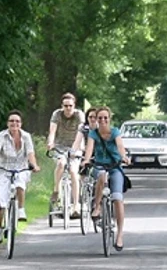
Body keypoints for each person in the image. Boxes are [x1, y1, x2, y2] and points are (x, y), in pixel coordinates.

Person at [0, 110, 41, 243]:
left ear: (21, 124)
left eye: (17, 121)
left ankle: (21, 209)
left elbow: (30, 153)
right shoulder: (1, 136)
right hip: (2, 169)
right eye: (11, 121)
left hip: (20, 168)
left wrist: (34, 165)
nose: (14, 123)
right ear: (7, 123)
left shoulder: (26, 136)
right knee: (0, 200)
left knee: (20, 183)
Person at [83, 106, 130, 251]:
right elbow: (89, 149)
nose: (102, 120)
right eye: (100, 118)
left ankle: (120, 235)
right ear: (96, 120)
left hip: (115, 166)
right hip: (99, 165)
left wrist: (124, 157)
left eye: (105, 118)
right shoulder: (93, 133)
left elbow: (120, 146)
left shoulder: (115, 131)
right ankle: (97, 207)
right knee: (101, 176)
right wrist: (86, 160)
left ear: (109, 119)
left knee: (117, 198)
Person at [44, 92, 86, 217]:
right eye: (65, 106)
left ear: (74, 106)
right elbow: (52, 131)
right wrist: (50, 142)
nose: (68, 108)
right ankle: (56, 190)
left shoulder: (79, 115)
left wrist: (78, 147)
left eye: (70, 106)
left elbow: (81, 130)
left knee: (73, 171)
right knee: (61, 163)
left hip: (75, 145)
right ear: (62, 106)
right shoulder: (57, 114)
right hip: (60, 146)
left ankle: (75, 205)